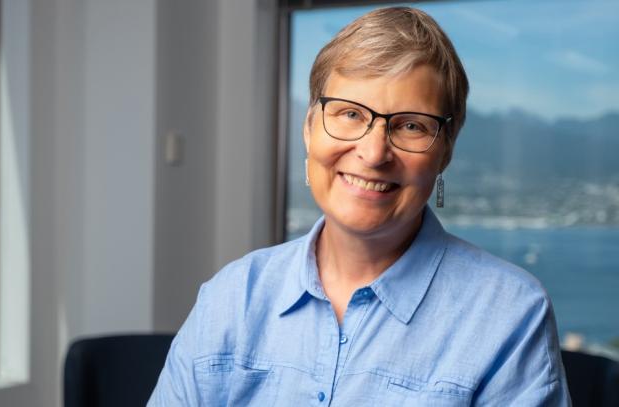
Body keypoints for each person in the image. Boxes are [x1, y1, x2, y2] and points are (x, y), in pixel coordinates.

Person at [149, 6, 570, 406]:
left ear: (445, 153)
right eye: (350, 113)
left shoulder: (509, 314)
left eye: (410, 125)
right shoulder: (230, 297)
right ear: (310, 129)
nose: (372, 153)